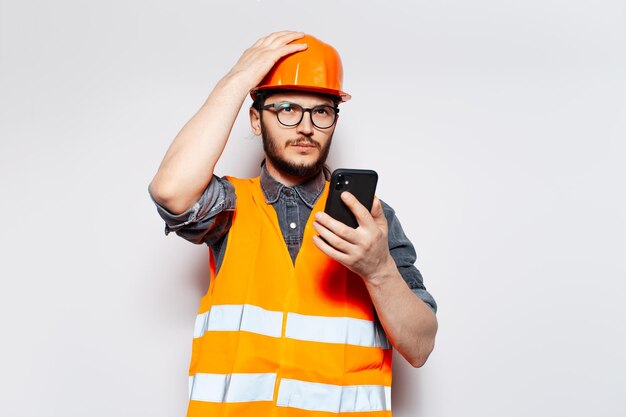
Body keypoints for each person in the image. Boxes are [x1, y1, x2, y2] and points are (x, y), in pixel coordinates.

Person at [149, 31, 438, 417]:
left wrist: (379, 269)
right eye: (287, 108)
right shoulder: (231, 208)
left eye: (321, 111)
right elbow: (170, 191)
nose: (305, 126)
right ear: (256, 119)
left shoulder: (370, 219)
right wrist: (237, 79)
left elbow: (419, 347)